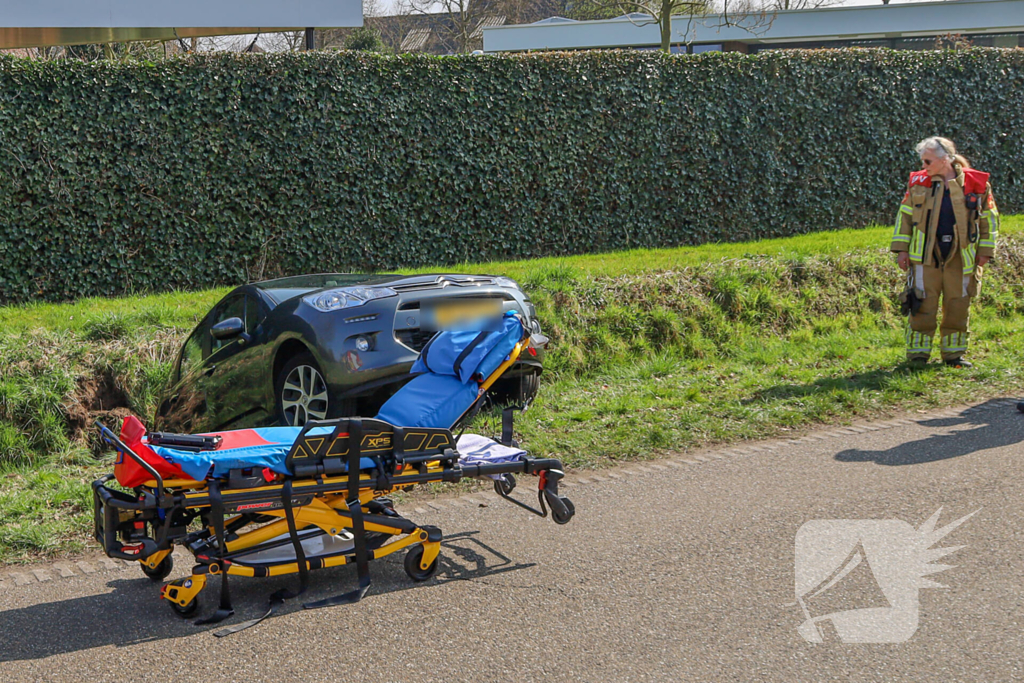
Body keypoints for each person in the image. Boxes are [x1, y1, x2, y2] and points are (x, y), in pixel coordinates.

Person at [890, 137, 999, 368]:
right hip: (924, 256)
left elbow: (990, 219)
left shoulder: (976, 184)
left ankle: (953, 356)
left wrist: (986, 251)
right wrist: (901, 249)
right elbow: (905, 217)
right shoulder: (918, 182)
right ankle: (918, 356)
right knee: (921, 304)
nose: (924, 166)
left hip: (962, 257)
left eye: (928, 161)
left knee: (958, 305)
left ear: (944, 159)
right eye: (923, 161)